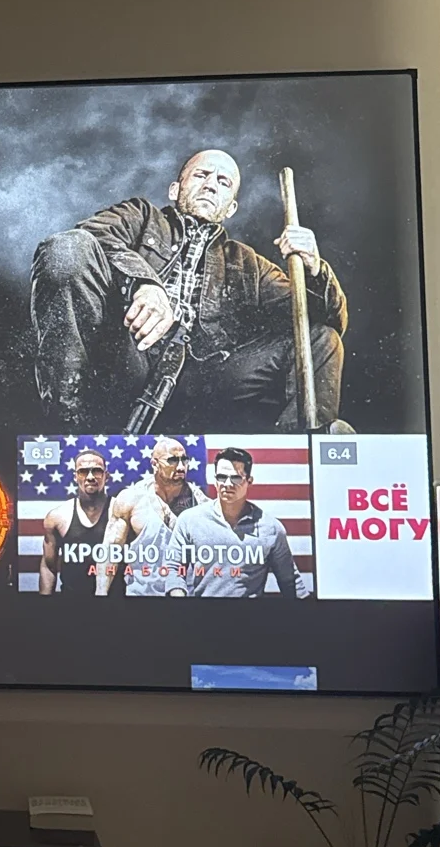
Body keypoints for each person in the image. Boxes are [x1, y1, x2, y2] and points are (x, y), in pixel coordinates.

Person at [29, 148, 347, 430]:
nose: (211, 184)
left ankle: (303, 449)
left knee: (321, 337)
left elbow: (326, 318)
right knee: (67, 249)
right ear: (175, 189)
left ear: (230, 208)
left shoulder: (249, 264)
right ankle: (68, 429)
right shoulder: (140, 216)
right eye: (201, 175)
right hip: (131, 356)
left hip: (205, 381)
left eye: (223, 182)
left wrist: (314, 268)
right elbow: (90, 236)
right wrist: (145, 283)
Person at [162, 447, 307, 598]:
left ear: (249, 481)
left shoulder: (271, 528)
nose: (227, 484)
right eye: (221, 477)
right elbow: (173, 569)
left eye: (236, 478)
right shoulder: (189, 520)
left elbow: (291, 583)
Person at [106, 435, 206, 596]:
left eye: (184, 460)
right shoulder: (131, 499)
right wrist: (100, 596)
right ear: (154, 464)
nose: (181, 467)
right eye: (173, 460)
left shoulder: (200, 503)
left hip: (186, 597)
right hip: (141, 598)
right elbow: (110, 552)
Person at [39, 448, 120, 598]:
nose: (90, 477)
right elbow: (49, 566)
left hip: (115, 603)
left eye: (96, 471)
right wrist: (44, 605)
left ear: (106, 476)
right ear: (75, 477)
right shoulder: (57, 517)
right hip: (71, 604)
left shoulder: (122, 513)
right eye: (83, 472)